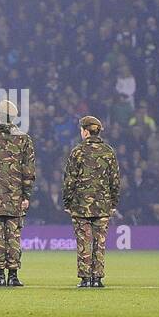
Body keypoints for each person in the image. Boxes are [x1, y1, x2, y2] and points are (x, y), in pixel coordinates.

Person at [0, 100, 36, 287]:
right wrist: (26, 196)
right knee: (14, 236)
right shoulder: (24, 139)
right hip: (16, 197)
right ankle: (13, 275)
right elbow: (29, 171)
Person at [62, 116, 119, 288]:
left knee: (84, 242)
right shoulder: (108, 151)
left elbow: (69, 180)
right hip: (102, 205)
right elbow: (114, 181)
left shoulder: (77, 151)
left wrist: (67, 202)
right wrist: (113, 203)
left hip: (80, 206)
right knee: (99, 242)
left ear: (86, 131)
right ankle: (97, 278)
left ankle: (85, 278)